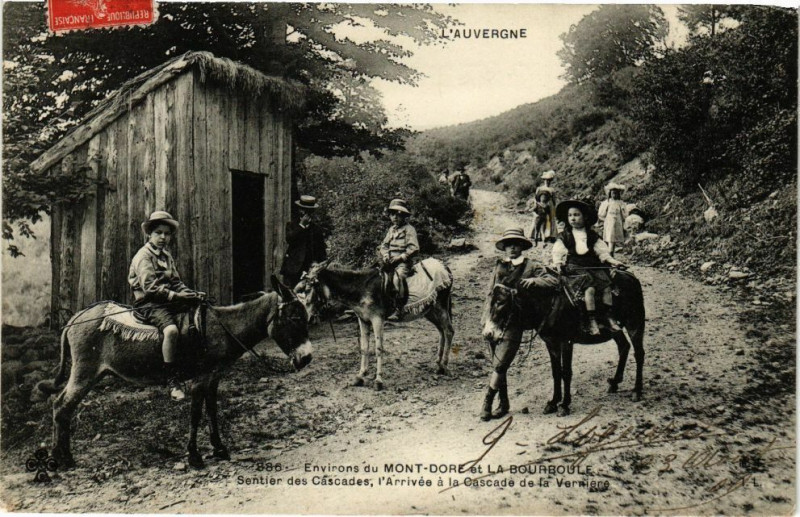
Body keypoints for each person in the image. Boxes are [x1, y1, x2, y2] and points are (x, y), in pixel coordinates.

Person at [129, 211, 206, 401]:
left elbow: (176, 281)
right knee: (171, 330)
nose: (163, 237)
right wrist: (176, 295)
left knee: (196, 316)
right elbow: (149, 288)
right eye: (158, 232)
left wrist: (190, 293)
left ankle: (193, 368)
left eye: (167, 233)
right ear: (149, 234)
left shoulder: (166, 256)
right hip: (148, 302)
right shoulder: (143, 256)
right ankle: (172, 380)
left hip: (166, 299)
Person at [480, 228, 537, 421]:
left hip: (516, 319)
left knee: (501, 363)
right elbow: (490, 293)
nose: (512, 248)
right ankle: (504, 403)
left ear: (522, 246)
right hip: (495, 318)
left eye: (516, 244)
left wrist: (534, 282)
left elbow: (551, 280)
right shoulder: (499, 265)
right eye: (509, 244)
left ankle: (487, 402)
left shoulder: (531, 266)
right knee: (497, 363)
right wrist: (485, 319)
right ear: (504, 247)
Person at [551, 199, 627, 336]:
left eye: (576, 215)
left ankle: (608, 317)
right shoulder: (565, 236)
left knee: (606, 287)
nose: (573, 218)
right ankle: (591, 321)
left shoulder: (592, 236)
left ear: (585, 217)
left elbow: (602, 252)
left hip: (593, 266)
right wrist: (558, 264)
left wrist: (614, 262)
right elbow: (558, 251)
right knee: (590, 288)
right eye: (570, 215)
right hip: (575, 268)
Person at [378, 199, 419, 318]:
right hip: (389, 261)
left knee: (397, 279)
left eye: (398, 214)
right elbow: (384, 245)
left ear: (404, 217)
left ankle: (400, 308)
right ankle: (379, 305)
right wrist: (385, 255)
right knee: (376, 276)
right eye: (392, 214)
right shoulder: (391, 229)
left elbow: (414, 248)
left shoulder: (409, 229)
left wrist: (400, 258)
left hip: (403, 263)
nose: (395, 217)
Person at [280, 195, 328, 288]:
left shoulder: (317, 229)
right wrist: (301, 225)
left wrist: (318, 265)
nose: (305, 213)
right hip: (292, 270)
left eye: (309, 211)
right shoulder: (292, 225)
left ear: (312, 212)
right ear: (299, 210)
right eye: (303, 210)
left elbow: (321, 252)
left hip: (309, 271)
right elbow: (289, 239)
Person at [598, 182, 628, 257]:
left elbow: (624, 214)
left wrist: (623, 219)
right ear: (610, 194)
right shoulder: (607, 202)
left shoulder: (620, 203)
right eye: (613, 193)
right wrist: (606, 220)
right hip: (609, 222)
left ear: (618, 194)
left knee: (614, 239)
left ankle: (611, 252)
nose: (614, 195)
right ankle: (609, 253)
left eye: (616, 193)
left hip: (617, 222)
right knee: (610, 237)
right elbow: (602, 213)